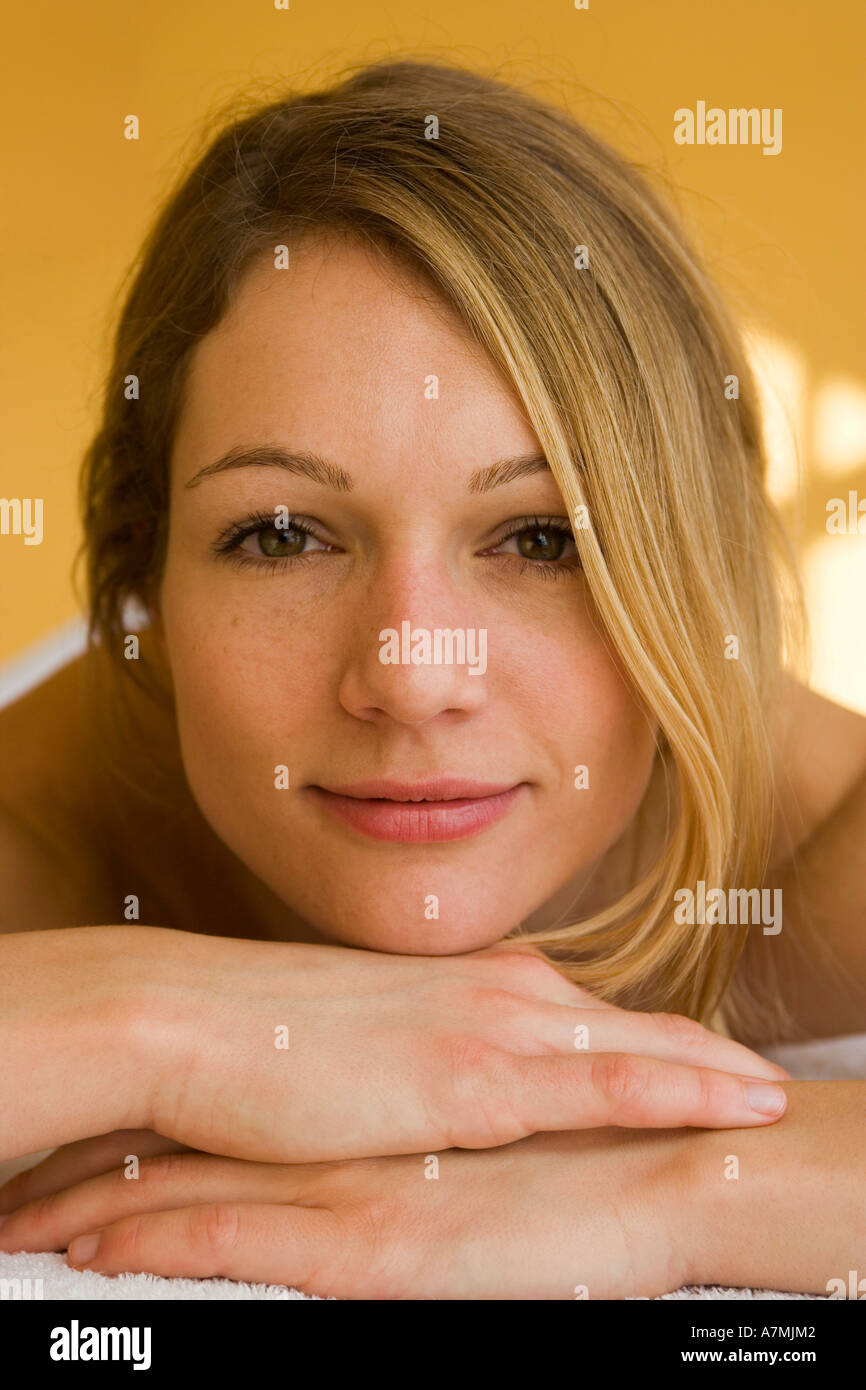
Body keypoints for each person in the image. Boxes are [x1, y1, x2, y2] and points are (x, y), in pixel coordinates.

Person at [0, 57, 864, 1299]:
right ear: (145, 583)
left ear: (702, 568)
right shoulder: (52, 828)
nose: (411, 676)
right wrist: (162, 1020)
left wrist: (664, 1189)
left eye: (541, 539)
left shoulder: (818, 850)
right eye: (283, 535)